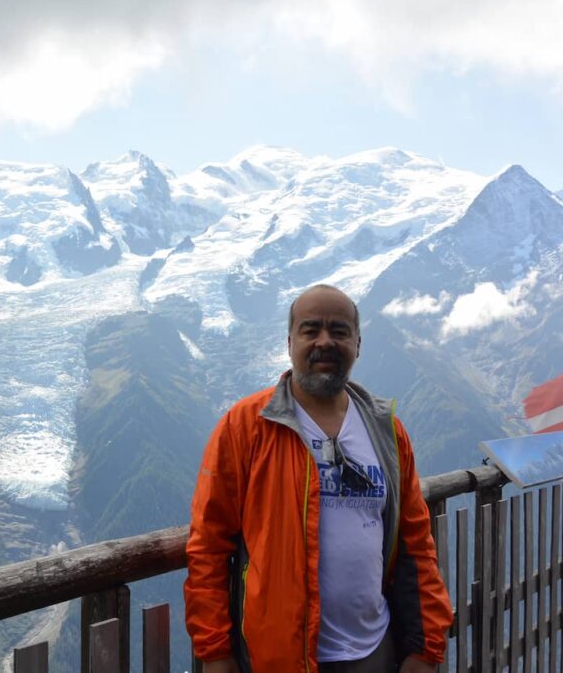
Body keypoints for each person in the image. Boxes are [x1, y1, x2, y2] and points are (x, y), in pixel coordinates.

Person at [184, 284, 452, 672]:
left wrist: (423, 649)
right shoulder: (245, 427)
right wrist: (215, 653)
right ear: (290, 342)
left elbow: (416, 545)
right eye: (311, 330)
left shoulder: (387, 432)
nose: (324, 341)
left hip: (375, 651)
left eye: (339, 331)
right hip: (278, 658)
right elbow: (208, 546)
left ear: (357, 344)